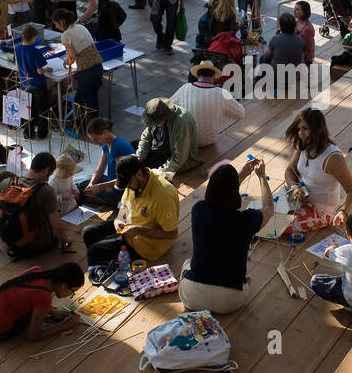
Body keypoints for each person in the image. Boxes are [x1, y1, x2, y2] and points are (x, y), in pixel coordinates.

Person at [178, 160, 273, 313]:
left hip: (192, 298)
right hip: (230, 301)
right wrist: (261, 177)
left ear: (210, 188)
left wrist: (239, 175)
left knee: (187, 262)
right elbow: (269, 208)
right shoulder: (246, 220)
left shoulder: (198, 211)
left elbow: (221, 193)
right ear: (234, 192)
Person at [82, 154, 179, 269]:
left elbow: (172, 233)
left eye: (128, 183)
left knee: (94, 252)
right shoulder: (135, 181)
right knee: (88, 232)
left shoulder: (162, 196)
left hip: (146, 245)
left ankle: (104, 266)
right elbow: (125, 205)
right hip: (130, 228)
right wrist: (119, 220)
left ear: (138, 173)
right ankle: (104, 263)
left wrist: (139, 230)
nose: (127, 187)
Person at [284, 108, 352, 232]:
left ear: (318, 129)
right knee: (263, 213)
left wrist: (343, 211)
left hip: (321, 212)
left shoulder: (333, 157)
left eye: (305, 129)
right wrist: (294, 187)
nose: (300, 133)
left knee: (272, 226)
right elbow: (289, 172)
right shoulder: (303, 146)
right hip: (300, 202)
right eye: (298, 129)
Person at [0, 263, 85, 344]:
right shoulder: (44, 298)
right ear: (64, 286)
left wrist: (52, 312)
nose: (71, 294)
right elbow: (33, 336)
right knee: (35, 318)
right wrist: (66, 325)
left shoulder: (37, 271)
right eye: (72, 292)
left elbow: (30, 296)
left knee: (36, 309)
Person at [0, 151, 74, 259]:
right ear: (46, 170)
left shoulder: (6, 183)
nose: (47, 179)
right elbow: (57, 226)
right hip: (33, 247)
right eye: (49, 175)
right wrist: (66, 240)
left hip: (5, 243)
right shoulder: (46, 190)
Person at [170, 59, 245, 145]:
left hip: (185, 138)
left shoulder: (185, 88)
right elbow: (241, 113)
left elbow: (168, 107)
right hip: (208, 140)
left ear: (197, 76)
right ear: (213, 77)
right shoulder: (222, 93)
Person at [52, 8, 103, 118]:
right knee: (91, 99)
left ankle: (90, 128)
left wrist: (66, 61)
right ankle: (90, 125)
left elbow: (72, 58)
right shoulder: (80, 26)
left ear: (61, 21)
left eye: (56, 23)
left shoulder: (66, 35)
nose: (56, 27)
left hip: (86, 72)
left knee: (88, 104)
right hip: (98, 67)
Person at [76, 117, 135, 208]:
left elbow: (125, 179)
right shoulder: (106, 145)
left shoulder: (119, 147)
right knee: (79, 182)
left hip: (120, 191)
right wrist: (91, 183)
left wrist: (99, 187)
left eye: (96, 139)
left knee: (81, 193)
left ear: (105, 133)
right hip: (110, 182)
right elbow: (99, 170)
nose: (95, 142)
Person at [136, 97, 202, 178]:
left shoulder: (181, 123)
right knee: (133, 147)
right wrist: (140, 155)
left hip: (174, 157)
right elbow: (146, 136)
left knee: (143, 171)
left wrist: (160, 171)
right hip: (160, 147)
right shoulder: (157, 115)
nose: (154, 124)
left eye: (156, 122)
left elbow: (180, 158)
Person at [15, 24, 50, 137]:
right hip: (38, 84)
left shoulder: (18, 49)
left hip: (25, 84)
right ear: (34, 37)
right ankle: (42, 133)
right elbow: (39, 71)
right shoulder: (34, 51)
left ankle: (28, 133)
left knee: (28, 109)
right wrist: (47, 69)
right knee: (42, 109)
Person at [293, 0, 315, 65]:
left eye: (297, 9)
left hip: (304, 60)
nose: (294, 11)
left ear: (304, 12)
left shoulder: (307, 30)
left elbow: (307, 48)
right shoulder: (296, 20)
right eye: (294, 8)